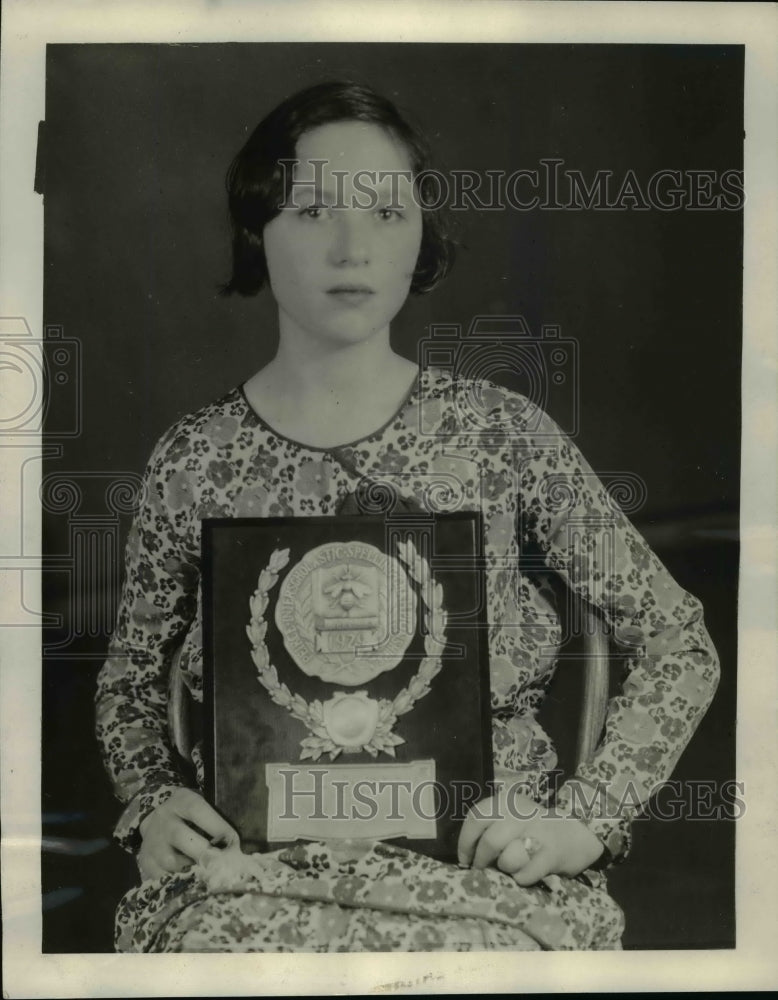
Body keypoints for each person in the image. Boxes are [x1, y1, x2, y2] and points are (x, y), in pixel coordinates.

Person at [96, 80, 720, 952]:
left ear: (421, 234)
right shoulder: (194, 458)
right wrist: (154, 806)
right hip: (251, 879)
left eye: (387, 213)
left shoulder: (502, 434)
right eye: (313, 211)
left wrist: (587, 818)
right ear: (256, 230)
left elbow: (676, 640)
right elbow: (129, 679)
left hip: (483, 877)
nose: (353, 247)